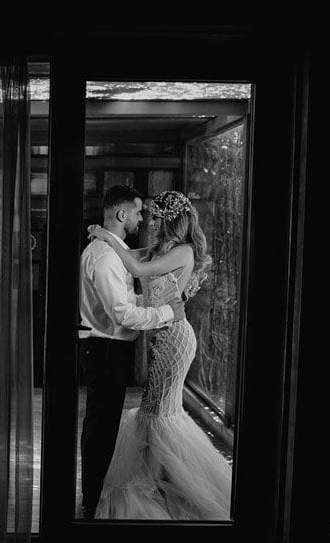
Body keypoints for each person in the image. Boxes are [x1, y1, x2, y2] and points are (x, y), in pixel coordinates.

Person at [87, 190, 232, 521]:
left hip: (176, 338)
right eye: (147, 216)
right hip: (159, 336)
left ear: (169, 220)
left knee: (158, 411)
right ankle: (158, 484)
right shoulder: (159, 250)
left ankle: (153, 487)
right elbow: (128, 254)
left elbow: (135, 267)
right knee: (157, 410)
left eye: (154, 217)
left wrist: (102, 235)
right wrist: (106, 238)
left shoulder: (183, 251)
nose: (148, 222)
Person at [78, 185, 186, 521]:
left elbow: (128, 298)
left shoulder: (111, 251)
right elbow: (122, 314)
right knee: (101, 425)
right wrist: (168, 313)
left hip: (108, 348)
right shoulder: (106, 257)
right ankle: (91, 500)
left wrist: (151, 305)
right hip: (107, 349)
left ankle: (91, 494)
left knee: (102, 423)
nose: (143, 219)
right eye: (139, 212)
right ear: (122, 214)